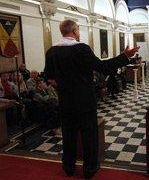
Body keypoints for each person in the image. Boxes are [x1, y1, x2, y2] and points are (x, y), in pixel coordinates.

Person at [44, 19, 139, 179]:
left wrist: (63, 87)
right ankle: (89, 169)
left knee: (68, 135)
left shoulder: (52, 52)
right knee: (89, 136)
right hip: (85, 102)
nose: (79, 33)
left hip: (65, 102)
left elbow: (49, 77)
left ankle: (68, 168)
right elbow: (103, 67)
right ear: (74, 31)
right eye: (78, 30)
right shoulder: (82, 49)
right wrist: (125, 56)